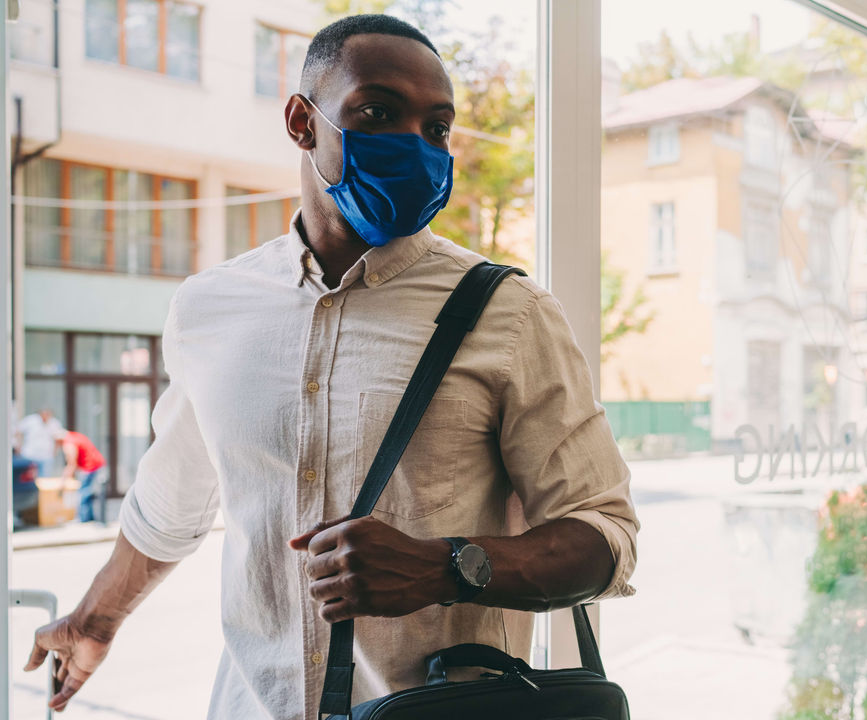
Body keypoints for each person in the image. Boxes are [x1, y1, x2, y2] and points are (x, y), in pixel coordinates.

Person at [25, 14, 638, 719]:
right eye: (377, 112)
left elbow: (605, 538)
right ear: (301, 121)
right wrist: (96, 619)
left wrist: (447, 568)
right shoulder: (210, 308)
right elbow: (170, 505)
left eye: (436, 127)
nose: (414, 144)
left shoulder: (511, 312)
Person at [57, 430, 106, 523]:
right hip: (96, 464)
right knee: (87, 492)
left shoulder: (69, 443)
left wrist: (63, 481)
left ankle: (83, 519)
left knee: (83, 493)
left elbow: (71, 464)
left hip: (90, 467)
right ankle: (90, 517)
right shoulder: (74, 436)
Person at [15, 408, 65, 478]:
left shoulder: (54, 423)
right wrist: (18, 446)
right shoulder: (30, 420)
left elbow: (58, 439)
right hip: (29, 454)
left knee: (44, 478)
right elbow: (18, 432)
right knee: (27, 478)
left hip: (46, 456)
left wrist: (54, 452)